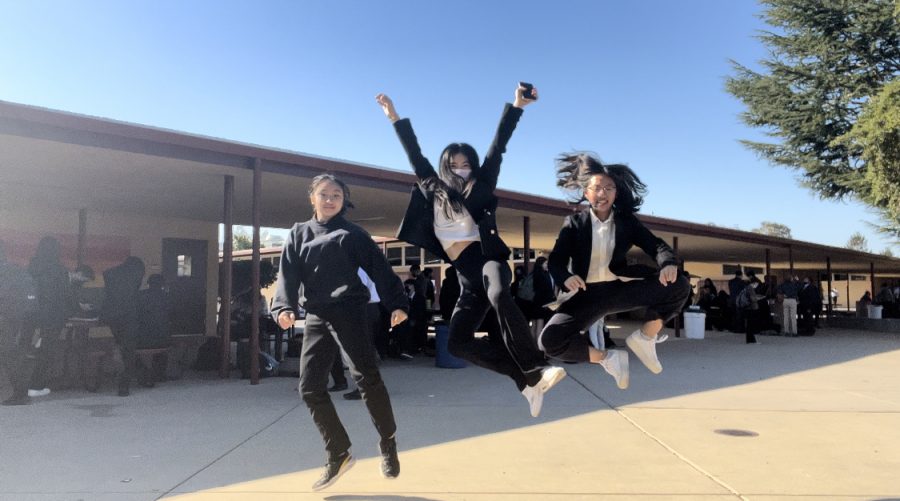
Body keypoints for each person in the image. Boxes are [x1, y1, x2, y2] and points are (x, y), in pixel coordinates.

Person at [376, 85, 565, 417]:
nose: (461, 168)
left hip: (489, 260)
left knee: (500, 295)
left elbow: (498, 146)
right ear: (446, 166)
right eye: (455, 163)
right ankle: (525, 382)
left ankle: (537, 365)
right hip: (465, 275)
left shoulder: (482, 184)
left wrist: (517, 106)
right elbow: (414, 153)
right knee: (457, 343)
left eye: (466, 163)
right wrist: (394, 117)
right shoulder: (433, 187)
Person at [271, 173, 409, 491]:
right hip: (317, 314)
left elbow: (379, 269)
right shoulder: (298, 233)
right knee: (309, 388)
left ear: (344, 200)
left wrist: (397, 304)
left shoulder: (353, 234)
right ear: (313, 198)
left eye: (337, 194)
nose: (331, 199)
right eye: (324, 194)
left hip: (351, 312)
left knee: (367, 378)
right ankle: (338, 451)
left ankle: (387, 443)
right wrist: (283, 308)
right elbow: (287, 274)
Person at [538, 153, 690, 389]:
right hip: (586, 295)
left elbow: (656, 245)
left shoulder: (626, 221)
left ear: (616, 194)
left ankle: (645, 337)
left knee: (679, 285)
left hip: (619, 289)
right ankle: (608, 358)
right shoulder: (574, 223)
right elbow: (556, 261)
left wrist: (667, 263)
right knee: (550, 341)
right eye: (597, 188)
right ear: (586, 193)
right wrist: (566, 277)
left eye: (609, 188)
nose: (603, 193)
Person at [26, 236, 73, 398]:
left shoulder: (32, 267)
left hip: (32, 314)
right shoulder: (59, 270)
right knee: (47, 351)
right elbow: (66, 295)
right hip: (53, 315)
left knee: (25, 349)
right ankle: (35, 385)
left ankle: (21, 383)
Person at [0, 240, 38, 405]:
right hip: (13, 319)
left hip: (5, 319)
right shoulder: (15, 270)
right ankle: (21, 392)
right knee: (10, 355)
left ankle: (21, 393)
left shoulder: (5, 272)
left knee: (9, 355)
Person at [102, 256, 145, 396]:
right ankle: (124, 385)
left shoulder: (110, 274)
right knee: (129, 350)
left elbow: (107, 295)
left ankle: (139, 373)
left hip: (112, 316)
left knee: (122, 345)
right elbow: (135, 292)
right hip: (129, 316)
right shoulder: (136, 273)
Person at [136, 274, 172, 386]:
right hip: (162, 340)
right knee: (164, 346)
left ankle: (142, 371)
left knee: (128, 346)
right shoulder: (167, 297)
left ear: (148, 283)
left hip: (141, 340)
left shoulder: (139, 296)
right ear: (162, 285)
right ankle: (159, 374)